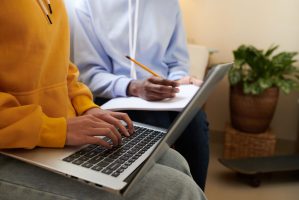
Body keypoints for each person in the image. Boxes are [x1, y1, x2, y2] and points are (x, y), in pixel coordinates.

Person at [0, 1, 206, 200]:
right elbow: (90, 72)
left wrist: (86, 107)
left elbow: (64, 68)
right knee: (177, 190)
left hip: (52, 133)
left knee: (175, 160)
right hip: (16, 143)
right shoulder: (86, 5)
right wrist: (57, 129)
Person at [71, 0, 209, 190]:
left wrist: (175, 84)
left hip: (163, 96)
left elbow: (177, 63)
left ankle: (197, 193)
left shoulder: (169, 4)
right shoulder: (86, 4)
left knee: (196, 120)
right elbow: (89, 75)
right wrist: (134, 87)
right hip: (114, 95)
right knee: (155, 122)